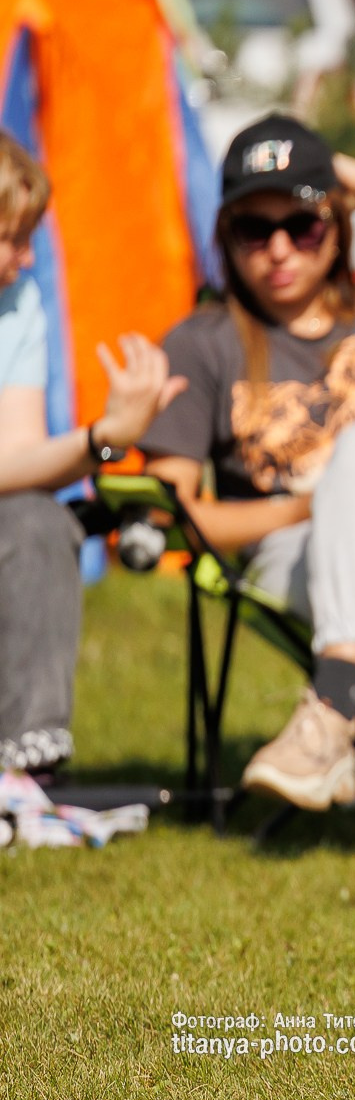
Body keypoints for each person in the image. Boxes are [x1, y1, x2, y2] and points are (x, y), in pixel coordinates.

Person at [140, 114, 355, 873]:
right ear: (226, 237)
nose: (278, 249)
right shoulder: (201, 343)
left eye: (302, 224)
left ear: (336, 226)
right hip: (299, 551)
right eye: (253, 229)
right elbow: (177, 516)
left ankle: (330, 712)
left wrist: (353, 176)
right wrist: (312, 505)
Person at [0, 132, 184, 781]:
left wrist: (108, 437)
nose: (27, 258)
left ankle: (27, 765)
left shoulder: (18, 302)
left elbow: (16, 458)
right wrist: (99, 439)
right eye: (12, 239)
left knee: (37, 521)